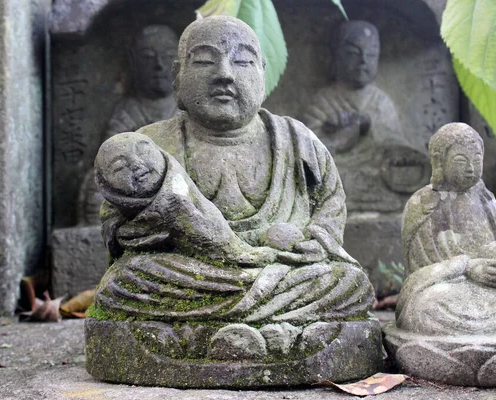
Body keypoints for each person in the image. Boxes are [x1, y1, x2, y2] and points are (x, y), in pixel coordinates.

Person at [93, 16, 374, 358]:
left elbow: (330, 204)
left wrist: (317, 242)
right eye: (206, 60)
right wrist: (152, 224)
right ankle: (275, 331)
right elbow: (115, 225)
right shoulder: (148, 144)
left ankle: (202, 335)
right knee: (126, 280)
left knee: (348, 282)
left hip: (285, 270)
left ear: (262, 73)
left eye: (242, 60)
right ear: (177, 76)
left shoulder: (297, 140)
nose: (224, 73)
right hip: (194, 275)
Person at [304, 21, 427, 212]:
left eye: (370, 54)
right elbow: (309, 155)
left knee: (401, 174)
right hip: (342, 170)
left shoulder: (380, 102)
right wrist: (338, 140)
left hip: (376, 172)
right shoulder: (323, 101)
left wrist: (369, 127)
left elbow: (395, 142)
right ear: (337, 56)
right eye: (354, 53)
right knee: (327, 178)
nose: (363, 61)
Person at [398, 122, 496, 335]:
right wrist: (467, 267)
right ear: (439, 161)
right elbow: (415, 278)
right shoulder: (422, 205)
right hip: (446, 290)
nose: (470, 168)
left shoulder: (487, 201)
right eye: (460, 160)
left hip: (489, 290)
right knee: (425, 309)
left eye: (477, 159)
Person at [77, 25, 179, 225]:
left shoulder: (185, 107)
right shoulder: (129, 110)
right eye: (148, 58)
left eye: (167, 56)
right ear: (134, 64)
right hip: (138, 182)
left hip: (179, 179)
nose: (158, 65)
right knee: (96, 185)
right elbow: (110, 154)